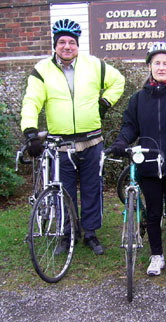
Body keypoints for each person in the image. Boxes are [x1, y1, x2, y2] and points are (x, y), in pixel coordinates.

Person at [20, 19, 125, 255]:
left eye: (72, 42)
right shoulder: (42, 70)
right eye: (62, 42)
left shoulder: (93, 65)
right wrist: (30, 131)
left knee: (92, 189)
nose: (67, 46)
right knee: (62, 191)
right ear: (55, 45)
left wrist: (104, 103)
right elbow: (31, 101)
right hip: (61, 145)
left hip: (92, 142)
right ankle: (67, 235)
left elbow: (118, 81)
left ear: (78, 45)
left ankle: (90, 234)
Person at [107, 42, 166, 277]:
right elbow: (130, 126)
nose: (161, 67)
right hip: (148, 165)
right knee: (152, 213)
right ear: (149, 66)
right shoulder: (138, 99)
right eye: (157, 63)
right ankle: (156, 255)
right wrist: (121, 142)